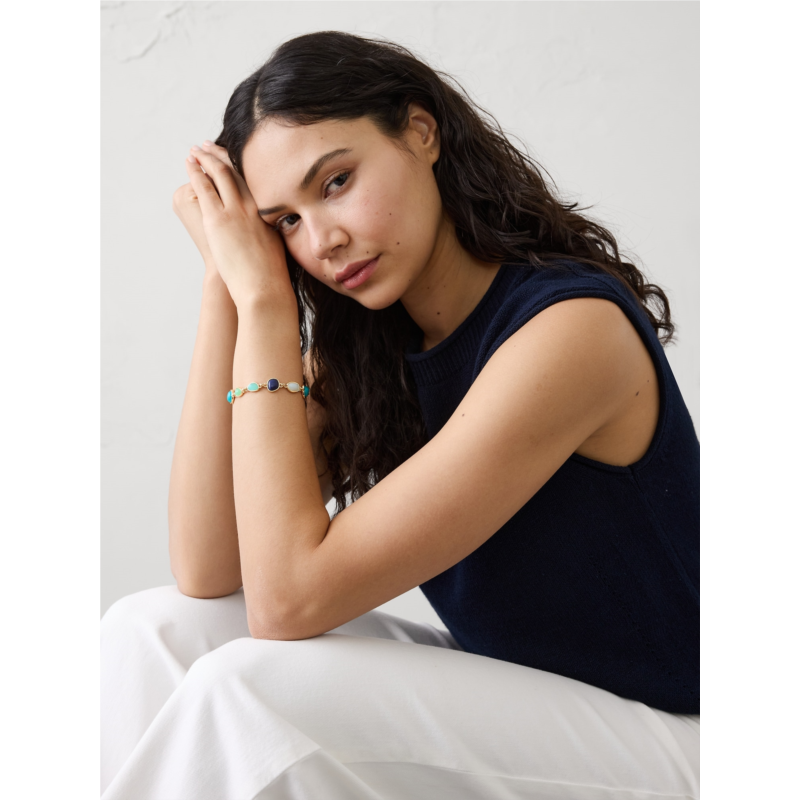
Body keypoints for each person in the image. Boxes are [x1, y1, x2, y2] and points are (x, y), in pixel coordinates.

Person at [100, 31, 700, 799]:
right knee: (150, 630)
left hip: (668, 732)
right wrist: (227, 281)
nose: (323, 240)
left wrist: (267, 302)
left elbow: (288, 601)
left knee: (247, 689)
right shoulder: (373, 353)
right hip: (524, 698)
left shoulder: (569, 332)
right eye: (284, 222)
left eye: (336, 181)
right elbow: (208, 566)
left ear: (421, 132)